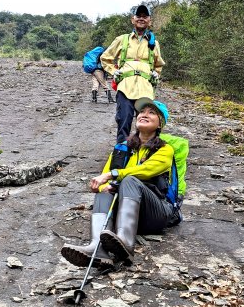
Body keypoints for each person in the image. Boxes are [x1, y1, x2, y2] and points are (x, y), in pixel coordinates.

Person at [61, 97, 175, 268]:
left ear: (160, 124)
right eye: (141, 112)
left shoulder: (165, 149)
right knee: (105, 190)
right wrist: (101, 186)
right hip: (127, 215)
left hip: (156, 212)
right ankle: (97, 247)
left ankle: (125, 243)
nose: (144, 115)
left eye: (152, 113)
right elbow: (104, 177)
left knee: (129, 180)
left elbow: (146, 170)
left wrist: (114, 175)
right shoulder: (122, 148)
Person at [100, 4, 165, 148]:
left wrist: (156, 73)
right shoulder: (122, 40)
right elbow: (105, 58)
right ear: (133, 19)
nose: (141, 19)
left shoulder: (154, 43)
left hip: (145, 89)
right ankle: (121, 153)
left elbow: (159, 65)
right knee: (123, 120)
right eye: (138, 16)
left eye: (145, 16)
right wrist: (113, 71)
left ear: (150, 21)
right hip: (125, 87)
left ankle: (145, 154)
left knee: (147, 123)